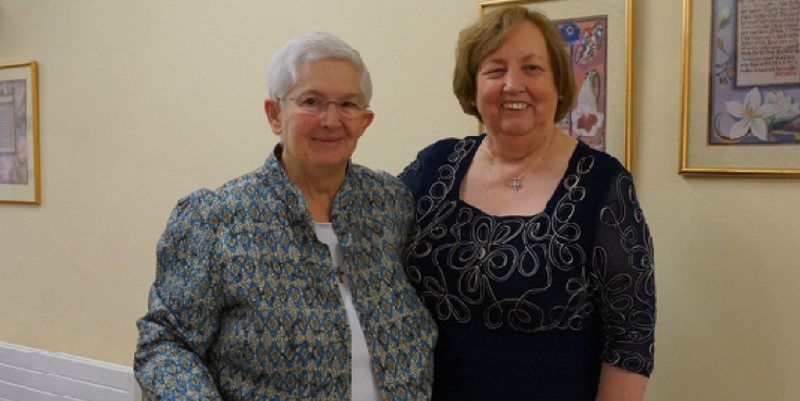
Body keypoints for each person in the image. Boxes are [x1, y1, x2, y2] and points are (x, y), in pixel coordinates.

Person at [134, 32, 437, 400]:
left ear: (365, 120)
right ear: (274, 114)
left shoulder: (392, 205)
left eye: (347, 104)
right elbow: (166, 343)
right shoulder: (214, 220)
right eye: (311, 101)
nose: (330, 120)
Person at [399, 6, 655, 401]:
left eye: (532, 68)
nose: (512, 84)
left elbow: (630, 339)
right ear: (473, 84)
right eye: (495, 69)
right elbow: (366, 241)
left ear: (558, 84)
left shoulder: (601, 183)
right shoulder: (434, 166)